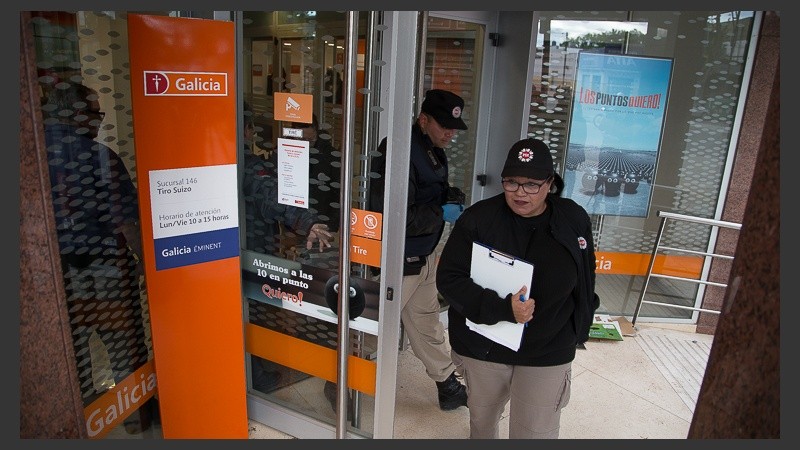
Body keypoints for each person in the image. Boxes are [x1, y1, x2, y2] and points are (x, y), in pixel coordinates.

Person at [436, 137, 600, 438]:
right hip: (485, 346)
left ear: (550, 183)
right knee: (483, 426)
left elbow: (586, 273)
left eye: (531, 184)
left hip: (548, 346)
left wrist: (582, 322)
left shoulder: (573, 219)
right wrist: (502, 308)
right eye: (511, 183)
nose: (520, 193)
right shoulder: (479, 219)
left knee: (536, 432)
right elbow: (449, 278)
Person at [42, 81, 156, 432]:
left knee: (71, 353)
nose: (100, 121)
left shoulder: (34, 154)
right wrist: (146, 264)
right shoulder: (100, 157)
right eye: (96, 113)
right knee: (122, 345)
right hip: (106, 269)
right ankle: (136, 417)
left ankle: (83, 419)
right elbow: (125, 221)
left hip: (58, 272)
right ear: (77, 114)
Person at [369, 89, 469, 411]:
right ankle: (338, 381)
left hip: (423, 255)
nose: (451, 133)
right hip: (397, 259)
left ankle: (447, 385)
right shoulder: (399, 151)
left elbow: (429, 193)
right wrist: (443, 212)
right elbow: (395, 217)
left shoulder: (433, 147)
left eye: (454, 128)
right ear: (423, 119)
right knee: (373, 323)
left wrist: (450, 197)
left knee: (426, 321)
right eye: (444, 126)